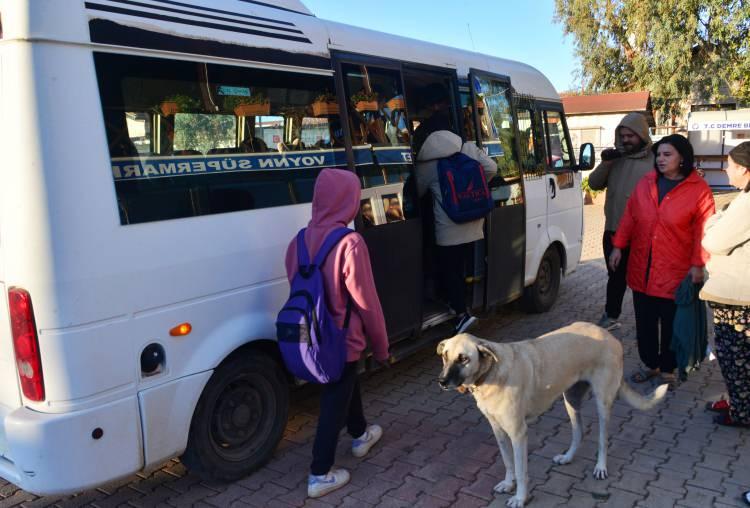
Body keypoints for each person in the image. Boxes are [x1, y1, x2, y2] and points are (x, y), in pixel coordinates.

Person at [284, 168, 391, 498]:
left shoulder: (298, 241)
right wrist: (382, 347)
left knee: (345, 381)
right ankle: (320, 473)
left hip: (310, 337)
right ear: (349, 201)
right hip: (342, 340)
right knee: (335, 395)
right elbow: (366, 302)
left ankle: (360, 433)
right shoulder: (350, 243)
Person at [609, 134, 715, 390]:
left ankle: (668, 369)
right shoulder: (646, 183)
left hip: (675, 271)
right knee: (644, 322)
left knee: (670, 324)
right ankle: (650, 365)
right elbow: (630, 217)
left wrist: (698, 264)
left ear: (682, 158)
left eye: (667, 154)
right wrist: (618, 246)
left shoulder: (698, 190)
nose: (660, 159)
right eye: (658, 154)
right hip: (641, 267)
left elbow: (704, 231)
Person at [415, 86, 496, 333]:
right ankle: (464, 305)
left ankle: (461, 314)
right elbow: (492, 168)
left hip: (447, 227)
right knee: (462, 267)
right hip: (472, 222)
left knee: (449, 269)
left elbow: (417, 192)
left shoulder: (427, 161)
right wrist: (471, 192)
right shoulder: (466, 147)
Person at [588, 112, 654, 330]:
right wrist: (606, 163)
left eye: (631, 136)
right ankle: (611, 315)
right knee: (615, 277)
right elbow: (595, 184)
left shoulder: (655, 161)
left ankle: (647, 322)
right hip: (613, 231)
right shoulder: (614, 159)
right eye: (623, 135)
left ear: (642, 135)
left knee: (642, 280)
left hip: (643, 234)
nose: (626, 140)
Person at [700, 141, 750, 427]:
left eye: (729, 165)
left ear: (743, 168)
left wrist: (715, 221)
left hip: (739, 296)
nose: (726, 170)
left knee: (736, 357)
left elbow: (713, 240)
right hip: (740, 292)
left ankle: (741, 412)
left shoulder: (745, 204)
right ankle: (738, 402)